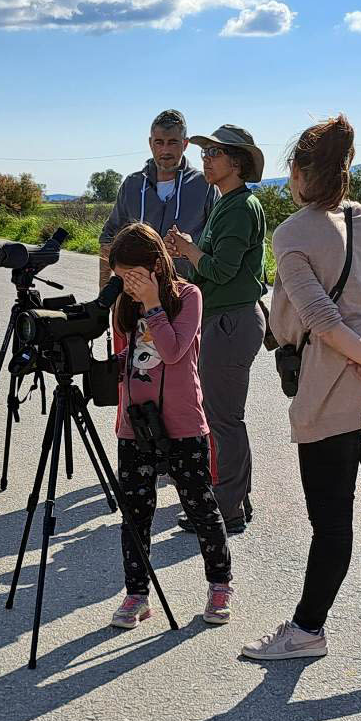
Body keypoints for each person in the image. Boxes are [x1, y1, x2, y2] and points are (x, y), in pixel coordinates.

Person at [243, 115, 361, 663]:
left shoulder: (293, 233)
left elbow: (319, 318)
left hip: (329, 398)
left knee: (331, 524)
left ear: (301, 173)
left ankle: (307, 630)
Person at [104, 223, 232, 629]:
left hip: (183, 421)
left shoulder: (188, 296)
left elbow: (174, 351)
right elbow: (122, 358)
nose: (128, 283)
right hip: (136, 424)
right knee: (136, 513)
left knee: (200, 507)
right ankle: (136, 594)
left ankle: (219, 586)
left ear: (156, 265)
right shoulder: (122, 306)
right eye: (121, 276)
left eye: (134, 275)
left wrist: (153, 304)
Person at [164, 125, 267, 536]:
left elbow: (221, 270)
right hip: (227, 319)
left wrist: (189, 250)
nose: (205, 159)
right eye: (205, 153)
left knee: (223, 420)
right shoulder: (231, 203)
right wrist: (189, 249)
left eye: (215, 153)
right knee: (225, 417)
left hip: (230, 321)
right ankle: (236, 499)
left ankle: (227, 511)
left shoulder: (241, 207)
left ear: (237, 162)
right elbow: (216, 265)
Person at [98, 109, 216, 285]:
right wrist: (105, 292)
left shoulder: (205, 185)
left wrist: (191, 249)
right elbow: (109, 238)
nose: (165, 150)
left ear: (185, 144)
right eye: (159, 142)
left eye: (173, 143)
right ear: (150, 143)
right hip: (135, 295)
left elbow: (219, 241)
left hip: (187, 294)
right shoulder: (132, 185)